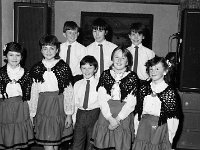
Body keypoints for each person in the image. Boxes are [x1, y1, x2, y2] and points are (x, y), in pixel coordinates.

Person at [29, 35, 74, 150]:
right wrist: (32, 113)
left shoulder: (63, 67)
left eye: (52, 48)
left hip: (59, 106)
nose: (48, 51)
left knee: (55, 143)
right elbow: (33, 93)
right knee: (48, 143)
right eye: (45, 48)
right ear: (41, 50)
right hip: (43, 106)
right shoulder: (37, 68)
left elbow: (68, 92)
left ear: (57, 49)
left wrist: (69, 114)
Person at [91, 46, 139, 150]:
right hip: (106, 114)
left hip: (123, 116)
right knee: (104, 144)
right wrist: (109, 118)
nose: (119, 60)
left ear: (127, 62)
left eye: (123, 58)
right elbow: (101, 98)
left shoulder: (132, 77)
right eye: (116, 57)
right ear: (112, 59)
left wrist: (117, 119)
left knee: (120, 145)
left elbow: (131, 102)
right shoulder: (106, 75)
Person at [133, 56, 181, 150]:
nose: (153, 71)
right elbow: (139, 111)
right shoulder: (144, 88)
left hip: (160, 127)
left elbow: (173, 118)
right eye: (151, 69)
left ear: (165, 71)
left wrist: (170, 136)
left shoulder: (169, 92)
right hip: (144, 126)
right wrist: (137, 127)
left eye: (157, 68)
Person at [0, 42, 34, 149]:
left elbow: (30, 96)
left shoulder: (27, 74)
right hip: (5, 109)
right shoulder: (1, 73)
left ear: (22, 57)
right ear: (5, 56)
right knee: (7, 140)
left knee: (19, 142)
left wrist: (31, 114)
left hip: (21, 109)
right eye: (11, 55)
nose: (14, 58)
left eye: (18, 55)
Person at [72, 55, 100, 150]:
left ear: (95, 69)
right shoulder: (77, 84)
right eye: (84, 68)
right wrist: (73, 119)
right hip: (80, 114)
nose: (87, 71)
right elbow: (75, 102)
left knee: (91, 144)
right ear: (80, 69)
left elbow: (102, 102)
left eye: (90, 68)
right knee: (77, 142)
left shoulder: (99, 84)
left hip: (94, 114)